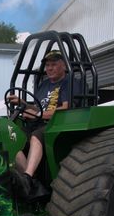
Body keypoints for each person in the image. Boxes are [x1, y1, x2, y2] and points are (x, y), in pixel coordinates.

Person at [8, 50, 72, 200]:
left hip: (57, 123)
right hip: (38, 121)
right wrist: (23, 104)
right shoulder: (43, 84)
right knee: (12, 138)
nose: (49, 68)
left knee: (36, 137)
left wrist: (38, 115)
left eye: (54, 64)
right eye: (47, 65)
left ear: (63, 65)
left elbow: (66, 108)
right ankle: (33, 182)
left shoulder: (69, 82)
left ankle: (28, 178)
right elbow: (38, 107)